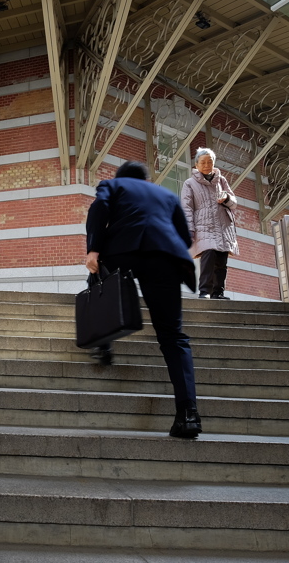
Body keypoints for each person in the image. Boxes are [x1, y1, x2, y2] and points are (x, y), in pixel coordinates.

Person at [85, 160, 202, 439]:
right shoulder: (166, 195)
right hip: (165, 256)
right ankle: (188, 415)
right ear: (147, 180)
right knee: (173, 336)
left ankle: (102, 343)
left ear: (120, 177)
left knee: (97, 281)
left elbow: (99, 210)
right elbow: (185, 236)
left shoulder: (111, 185)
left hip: (121, 250)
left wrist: (93, 250)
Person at [180, 147, 238, 300]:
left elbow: (234, 203)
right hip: (204, 225)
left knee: (221, 260)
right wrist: (189, 229)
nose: (206, 165)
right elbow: (186, 208)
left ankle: (218, 292)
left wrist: (226, 199)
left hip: (223, 225)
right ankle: (205, 291)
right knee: (209, 255)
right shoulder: (190, 183)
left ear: (214, 163)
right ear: (196, 165)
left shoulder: (222, 180)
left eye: (209, 162)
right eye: (203, 162)